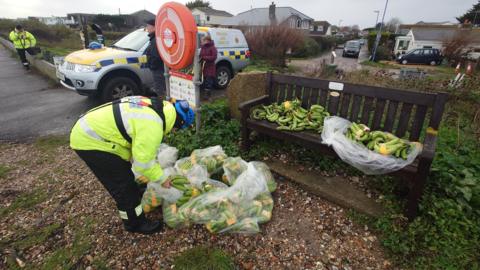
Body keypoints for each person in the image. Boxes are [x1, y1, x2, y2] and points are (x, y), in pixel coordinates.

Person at [70, 96, 195, 234]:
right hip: (91, 141)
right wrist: (162, 179)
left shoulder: (157, 107)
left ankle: (134, 199)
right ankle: (134, 224)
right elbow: (144, 164)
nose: (173, 131)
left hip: (92, 128)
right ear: (177, 123)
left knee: (125, 176)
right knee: (123, 186)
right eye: (176, 129)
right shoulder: (153, 126)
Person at [145, 19, 166, 97]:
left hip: (158, 70)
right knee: (160, 88)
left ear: (154, 27)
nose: (147, 28)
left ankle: (161, 106)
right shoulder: (154, 38)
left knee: (160, 91)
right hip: (159, 69)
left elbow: (156, 56)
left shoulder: (155, 40)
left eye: (148, 26)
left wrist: (152, 66)